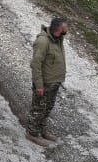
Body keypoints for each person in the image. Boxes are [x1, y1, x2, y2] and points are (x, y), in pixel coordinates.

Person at [26, 18, 69, 147]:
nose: (66, 31)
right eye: (65, 29)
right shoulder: (43, 42)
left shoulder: (58, 39)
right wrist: (39, 85)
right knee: (38, 108)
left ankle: (42, 130)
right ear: (58, 29)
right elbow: (36, 64)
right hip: (44, 83)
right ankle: (32, 134)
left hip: (54, 83)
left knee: (47, 107)